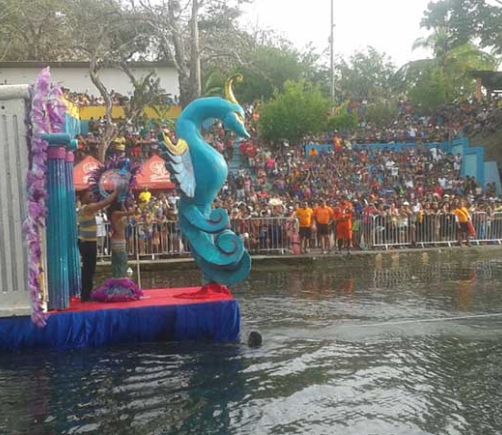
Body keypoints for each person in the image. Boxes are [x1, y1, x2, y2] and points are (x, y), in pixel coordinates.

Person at [78, 189, 118, 301]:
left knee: (89, 269)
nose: (92, 198)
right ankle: (85, 295)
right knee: (88, 269)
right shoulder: (87, 208)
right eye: (89, 196)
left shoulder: (87, 209)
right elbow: (103, 203)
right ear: (83, 198)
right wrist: (115, 192)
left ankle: (86, 293)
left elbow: (104, 204)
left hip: (88, 242)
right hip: (88, 243)